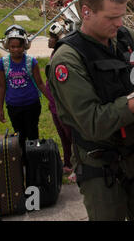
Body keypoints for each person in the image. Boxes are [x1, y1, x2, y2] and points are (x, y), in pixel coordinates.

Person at [47, 0, 134, 221]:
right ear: (86, 12)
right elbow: (92, 122)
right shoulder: (68, 60)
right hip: (99, 167)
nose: (119, 23)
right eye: (111, 17)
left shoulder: (125, 39)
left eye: (122, 15)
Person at [0, 24, 49, 151]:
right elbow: (2, 87)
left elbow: (40, 83)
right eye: (12, 47)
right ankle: (22, 163)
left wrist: (52, 100)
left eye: (19, 46)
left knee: (32, 135)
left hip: (31, 105)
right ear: (7, 46)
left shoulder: (31, 62)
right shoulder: (3, 63)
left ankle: (34, 164)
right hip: (14, 106)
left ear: (24, 45)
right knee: (19, 136)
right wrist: (0, 108)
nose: (16, 50)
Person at [45, 22, 73, 174]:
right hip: (54, 106)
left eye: (52, 37)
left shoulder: (62, 56)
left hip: (63, 107)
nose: (49, 40)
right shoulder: (54, 53)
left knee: (71, 137)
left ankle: (77, 167)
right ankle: (68, 163)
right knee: (63, 138)